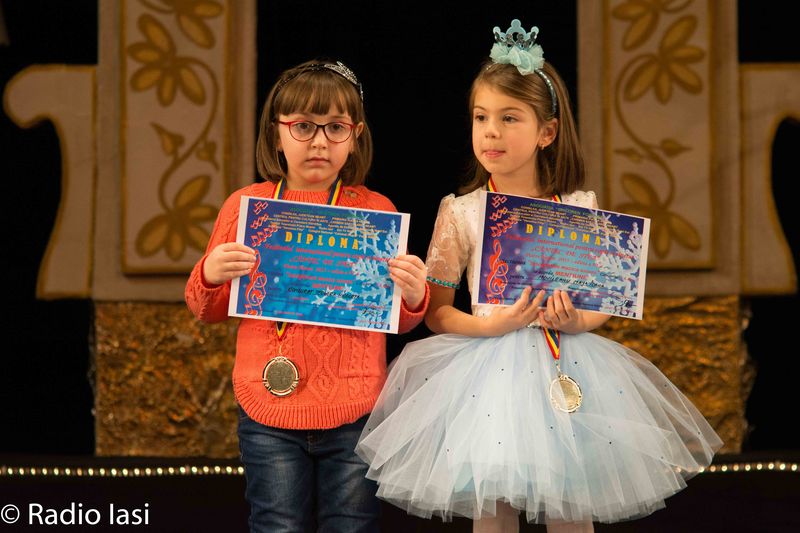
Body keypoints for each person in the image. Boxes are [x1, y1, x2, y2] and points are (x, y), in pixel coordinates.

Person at [355, 20, 722, 533]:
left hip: (567, 363)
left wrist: (577, 321)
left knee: (572, 508)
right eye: (481, 117)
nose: (491, 131)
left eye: (509, 118)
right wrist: (491, 325)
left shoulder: (578, 208)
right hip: (486, 375)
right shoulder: (462, 211)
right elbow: (437, 313)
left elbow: (599, 303)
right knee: (493, 510)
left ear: (546, 132)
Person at [185, 59, 429, 533]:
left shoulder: (376, 211)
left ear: (355, 135)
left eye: (335, 127)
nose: (319, 141)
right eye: (303, 126)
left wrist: (414, 296)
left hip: (356, 406)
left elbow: (395, 321)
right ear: (276, 134)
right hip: (268, 407)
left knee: (352, 526)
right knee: (276, 525)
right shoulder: (246, 207)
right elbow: (205, 308)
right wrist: (211, 274)